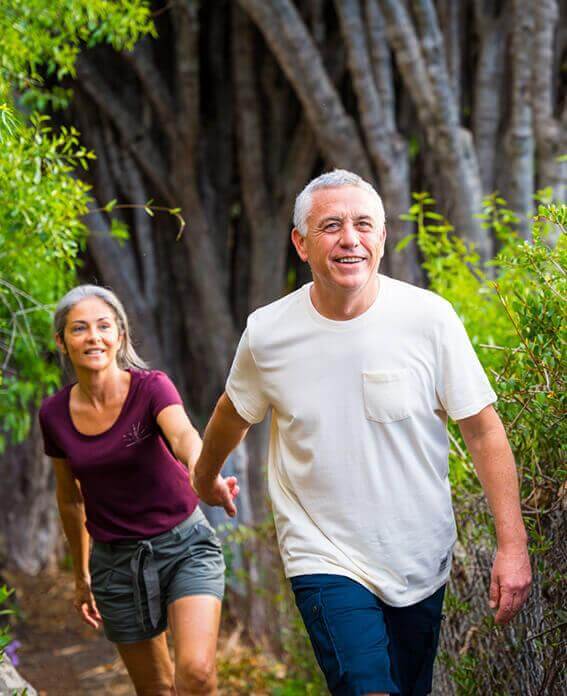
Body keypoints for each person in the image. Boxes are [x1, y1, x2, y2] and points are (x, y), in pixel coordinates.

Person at [193, 170, 532, 696]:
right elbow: (231, 412)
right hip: (322, 552)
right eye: (331, 226)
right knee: (366, 686)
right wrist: (204, 477)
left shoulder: (429, 319)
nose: (349, 237)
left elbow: (483, 431)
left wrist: (513, 546)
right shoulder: (268, 332)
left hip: (419, 553)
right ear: (301, 244)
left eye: (362, 224)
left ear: (381, 238)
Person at [39, 285, 237, 696]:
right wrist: (82, 573)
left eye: (103, 326)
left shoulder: (151, 388)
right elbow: (69, 497)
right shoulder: (54, 415)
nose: (93, 337)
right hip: (116, 564)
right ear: (61, 341)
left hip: (185, 546)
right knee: (157, 689)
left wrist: (206, 474)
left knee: (196, 674)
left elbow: (184, 435)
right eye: (79, 328)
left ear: (120, 336)